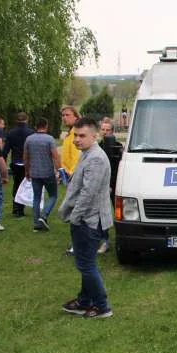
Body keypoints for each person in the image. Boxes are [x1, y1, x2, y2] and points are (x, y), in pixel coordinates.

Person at [59, 117, 114, 319]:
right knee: (85, 262)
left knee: (86, 265)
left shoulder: (96, 158)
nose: (77, 140)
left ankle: (102, 306)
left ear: (94, 135)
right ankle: (84, 301)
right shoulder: (87, 153)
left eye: (82, 136)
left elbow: (87, 194)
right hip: (85, 219)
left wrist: (75, 217)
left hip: (90, 220)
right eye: (75, 135)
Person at [23, 117, 61, 232]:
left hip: (34, 173)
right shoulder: (49, 139)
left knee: (36, 198)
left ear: (36, 126)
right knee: (53, 195)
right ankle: (43, 216)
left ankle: (36, 224)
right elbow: (55, 156)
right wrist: (59, 170)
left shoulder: (29, 139)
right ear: (46, 126)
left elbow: (25, 157)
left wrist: (27, 170)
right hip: (48, 172)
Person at [97, 118, 123, 254]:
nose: (105, 132)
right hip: (101, 186)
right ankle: (104, 241)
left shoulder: (118, 147)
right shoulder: (98, 147)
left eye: (108, 130)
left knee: (120, 214)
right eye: (103, 129)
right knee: (101, 214)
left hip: (115, 184)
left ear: (112, 132)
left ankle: (122, 240)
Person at [2, 112, 34, 218]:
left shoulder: (11, 133)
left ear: (16, 120)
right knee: (25, 185)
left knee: (16, 184)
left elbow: (5, 150)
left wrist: (4, 163)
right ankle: (21, 208)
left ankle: (16, 208)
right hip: (27, 163)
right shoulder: (31, 133)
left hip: (15, 162)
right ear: (27, 120)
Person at [60, 106, 81, 255]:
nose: (64, 117)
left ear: (75, 116)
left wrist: (71, 177)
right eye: (63, 115)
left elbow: (77, 159)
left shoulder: (77, 135)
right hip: (68, 177)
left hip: (74, 178)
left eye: (67, 115)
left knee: (77, 212)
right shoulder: (70, 133)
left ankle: (77, 245)